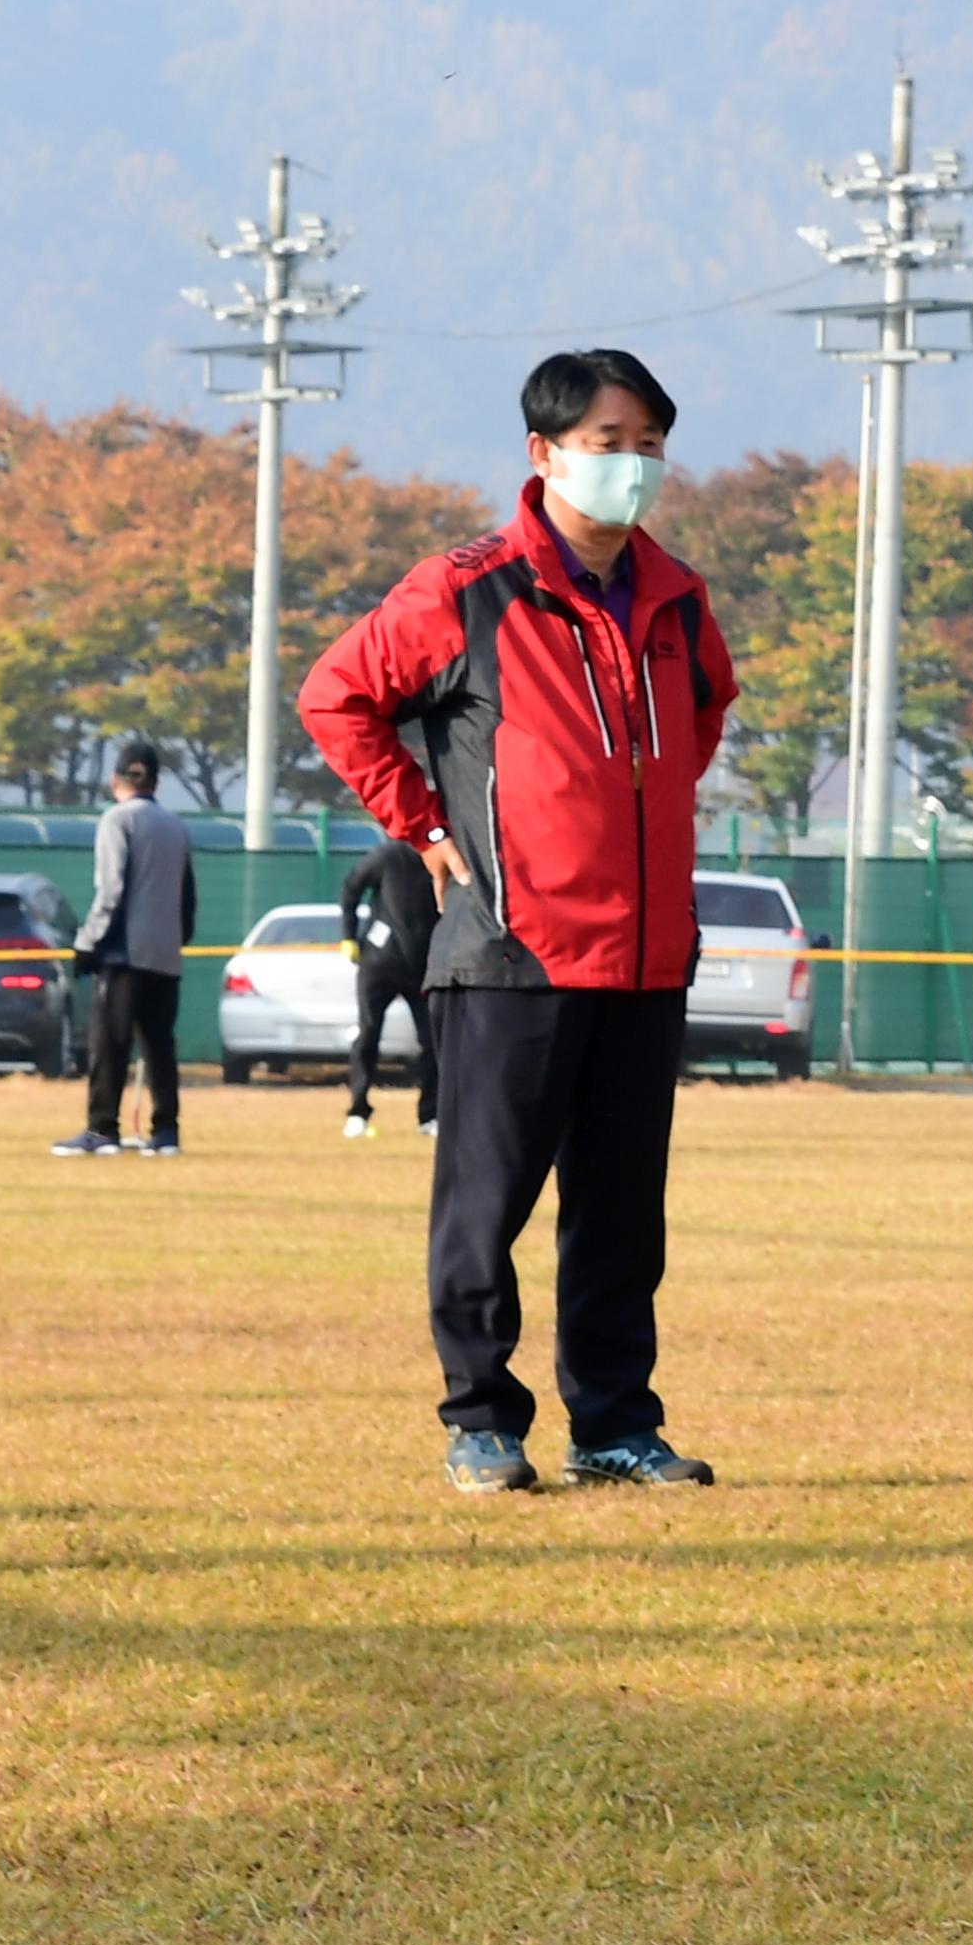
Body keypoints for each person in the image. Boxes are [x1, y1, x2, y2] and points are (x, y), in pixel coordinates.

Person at [299, 348, 737, 1495]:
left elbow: (708, 709)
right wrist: (425, 825)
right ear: (542, 454)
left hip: (646, 959)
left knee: (620, 1217)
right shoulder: (466, 587)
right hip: (512, 951)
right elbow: (336, 696)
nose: (632, 465)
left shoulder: (679, 598)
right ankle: (482, 1417)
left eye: (649, 444)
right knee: (486, 1203)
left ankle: (615, 1423)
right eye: (608, 443)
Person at [56, 741, 197, 1159]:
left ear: (114, 780)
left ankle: (102, 1131)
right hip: (165, 956)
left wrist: (86, 944)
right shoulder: (176, 826)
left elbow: (111, 890)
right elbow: (187, 897)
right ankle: (166, 1132)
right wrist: (175, 940)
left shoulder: (117, 820)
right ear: (155, 781)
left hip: (124, 955)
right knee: (159, 1047)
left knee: (109, 1045)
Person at [339, 832, 440, 1140]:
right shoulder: (387, 856)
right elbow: (351, 888)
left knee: (433, 1042)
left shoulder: (439, 857)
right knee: (368, 1036)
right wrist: (348, 935)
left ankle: (429, 1116)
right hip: (379, 965)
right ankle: (357, 1112)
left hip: (423, 968)